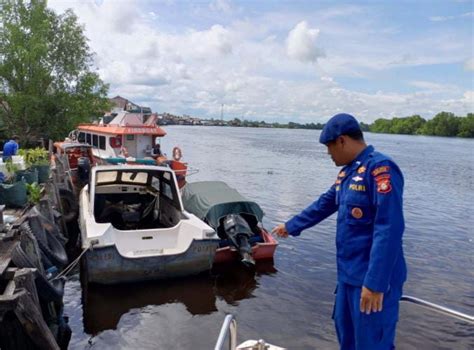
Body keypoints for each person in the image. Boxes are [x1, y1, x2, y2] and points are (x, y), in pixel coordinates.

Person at [272, 113, 407, 350]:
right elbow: (325, 203)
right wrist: (291, 226)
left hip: (371, 279)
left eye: (329, 147)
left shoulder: (380, 169)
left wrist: (375, 284)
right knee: (347, 338)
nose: (328, 154)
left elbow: (389, 228)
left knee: (371, 343)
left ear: (342, 140)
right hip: (348, 275)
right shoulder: (348, 172)